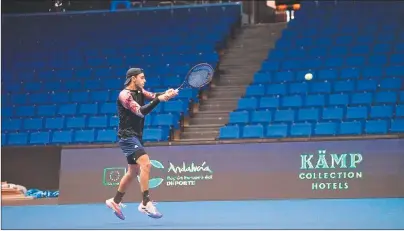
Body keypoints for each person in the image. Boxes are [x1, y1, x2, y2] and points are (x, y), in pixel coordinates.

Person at [105, 67, 178, 220]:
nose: (144, 80)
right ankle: (145, 202)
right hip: (127, 136)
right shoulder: (124, 95)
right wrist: (160, 99)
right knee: (146, 164)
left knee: (132, 171)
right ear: (133, 78)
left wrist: (167, 94)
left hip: (136, 136)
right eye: (142, 78)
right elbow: (140, 111)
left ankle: (115, 201)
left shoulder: (140, 91)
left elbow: (153, 95)